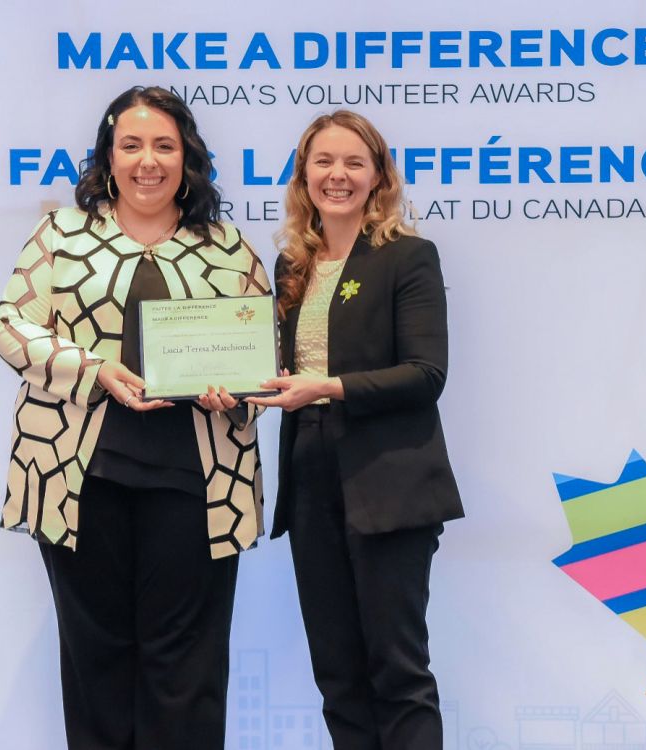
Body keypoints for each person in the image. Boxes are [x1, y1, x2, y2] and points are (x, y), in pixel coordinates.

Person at [0, 86, 268, 750]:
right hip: (82, 478)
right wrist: (93, 371)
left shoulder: (227, 248)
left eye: (165, 146)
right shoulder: (61, 234)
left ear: (189, 158)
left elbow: (266, 355)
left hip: (197, 484)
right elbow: (10, 327)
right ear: (108, 158)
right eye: (133, 145)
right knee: (97, 661)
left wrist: (238, 388)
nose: (149, 161)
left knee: (189, 670)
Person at [248, 110, 464, 749]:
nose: (336, 175)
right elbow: (281, 373)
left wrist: (329, 387)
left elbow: (426, 374)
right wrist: (237, 391)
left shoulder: (408, 257)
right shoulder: (293, 266)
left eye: (353, 163)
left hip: (389, 486)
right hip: (312, 480)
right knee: (337, 676)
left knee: (398, 673)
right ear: (303, 174)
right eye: (322, 162)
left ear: (378, 177)